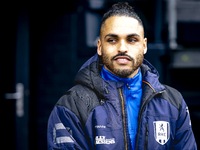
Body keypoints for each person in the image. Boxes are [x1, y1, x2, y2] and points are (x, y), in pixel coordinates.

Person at [47, 2, 197, 150]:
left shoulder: (173, 103)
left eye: (132, 40)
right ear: (99, 46)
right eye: (112, 40)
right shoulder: (72, 106)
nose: (122, 48)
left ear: (144, 46)